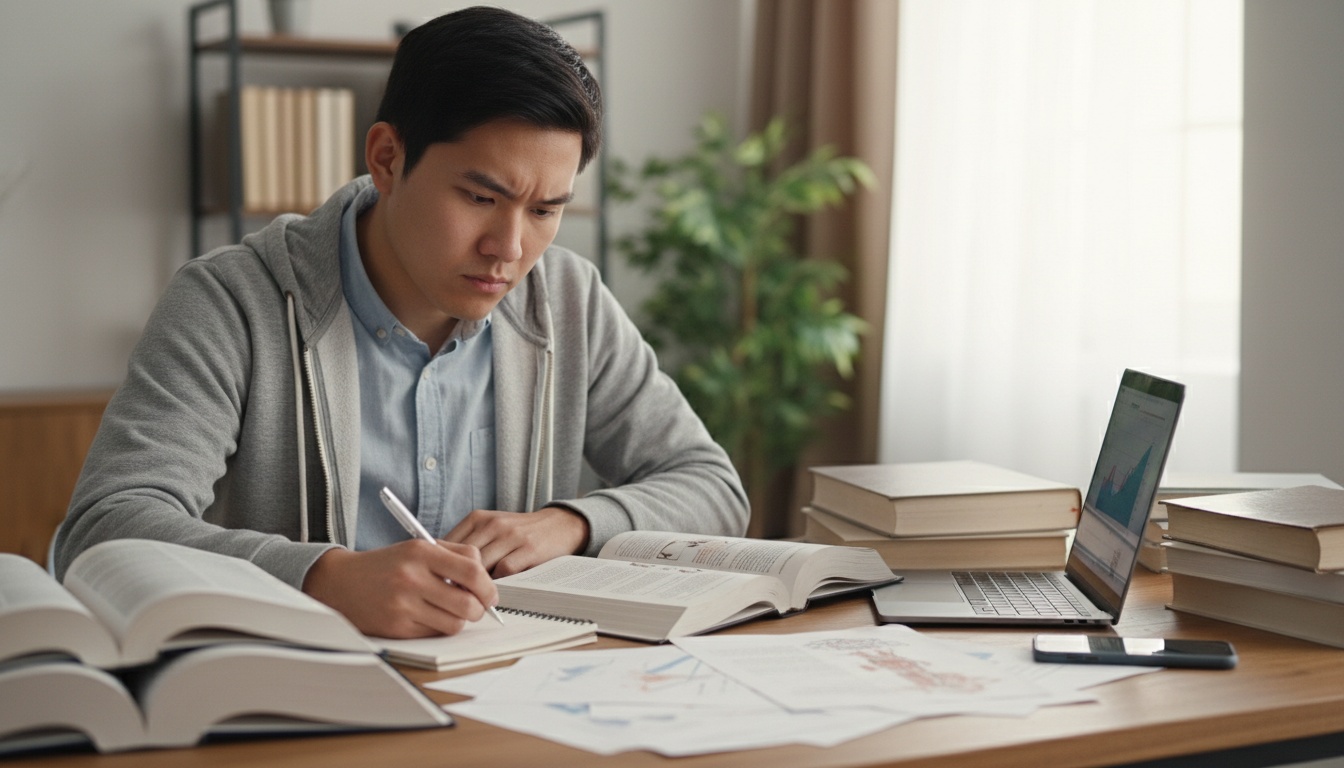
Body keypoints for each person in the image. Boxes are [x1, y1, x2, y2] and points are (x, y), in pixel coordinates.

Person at [54, 7, 748, 639]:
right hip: (297, 688)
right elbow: (104, 531)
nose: (509, 249)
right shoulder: (230, 303)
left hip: (511, 689)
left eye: (544, 211)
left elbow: (711, 487)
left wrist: (571, 523)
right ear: (387, 158)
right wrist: (322, 579)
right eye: (480, 197)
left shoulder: (568, 299)